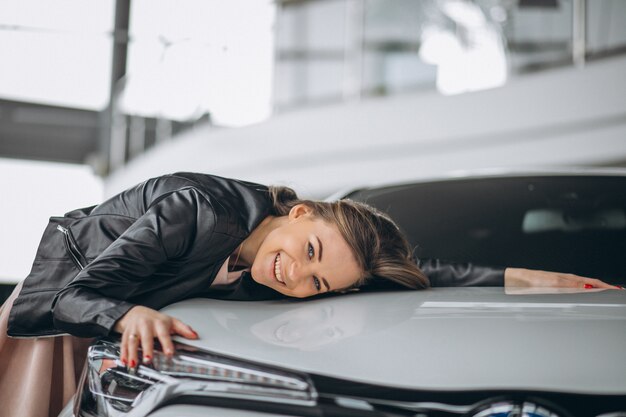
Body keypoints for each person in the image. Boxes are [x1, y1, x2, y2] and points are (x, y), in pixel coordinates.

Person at [0, 172, 618, 417]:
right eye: (310, 253)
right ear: (297, 212)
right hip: (59, 316)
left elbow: (423, 272)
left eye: (318, 284)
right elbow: (80, 292)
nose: (296, 277)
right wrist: (131, 311)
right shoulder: (197, 209)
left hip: (119, 329)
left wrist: (523, 278)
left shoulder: (296, 266)